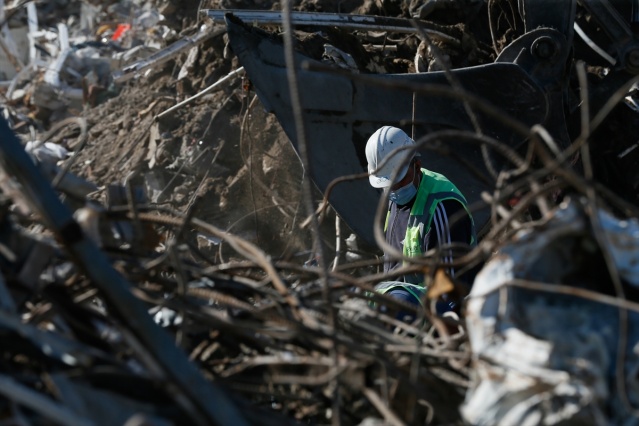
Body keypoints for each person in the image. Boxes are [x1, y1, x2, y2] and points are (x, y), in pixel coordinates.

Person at [365, 125, 476, 319]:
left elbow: (451, 294)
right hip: (399, 301)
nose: (393, 189)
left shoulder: (443, 206)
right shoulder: (395, 200)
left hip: (440, 312)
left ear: (416, 165)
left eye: (397, 180)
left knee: (399, 303)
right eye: (386, 184)